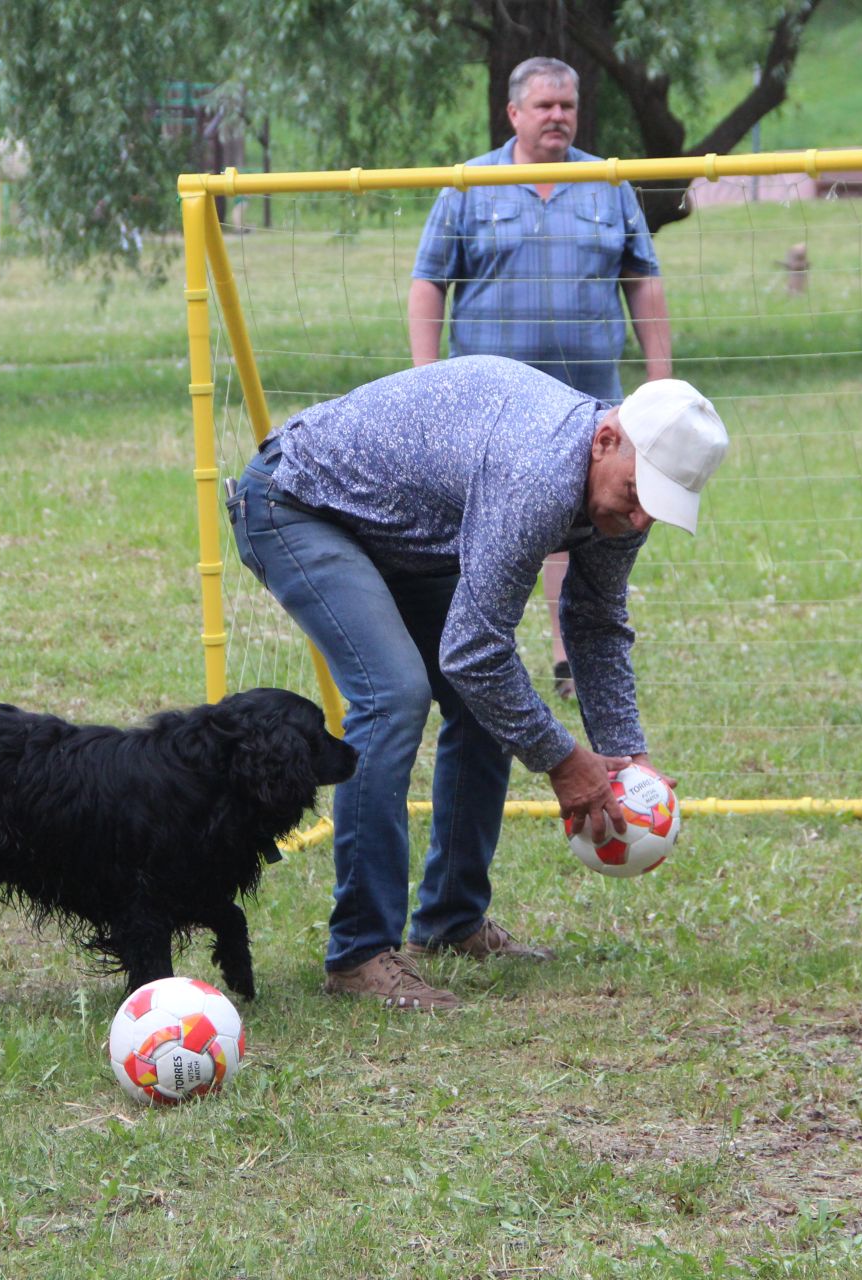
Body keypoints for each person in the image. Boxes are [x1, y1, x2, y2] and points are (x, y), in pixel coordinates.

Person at [224, 355, 728, 1010]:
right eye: (637, 495)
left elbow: (595, 622)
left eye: (657, 508)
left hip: (401, 528)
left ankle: (449, 922)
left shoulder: (620, 494)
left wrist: (626, 756)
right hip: (297, 502)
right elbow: (473, 651)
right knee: (393, 694)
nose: (639, 522)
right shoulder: (540, 473)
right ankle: (359, 953)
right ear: (606, 440)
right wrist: (564, 761)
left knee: (486, 702)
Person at [409, 56, 674, 701]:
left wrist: (659, 385)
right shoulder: (468, 184)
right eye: (544, 105)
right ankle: (467, 648)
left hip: (588, 401)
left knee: (583, 525)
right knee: (481, 525)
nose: (557, 116)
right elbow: (428, 283)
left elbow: (643, 281)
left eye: (568, 106)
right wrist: (425, 378)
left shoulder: (608, 184)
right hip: (489, 410)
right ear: (514, 114)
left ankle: (567, 655)